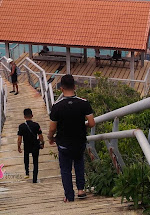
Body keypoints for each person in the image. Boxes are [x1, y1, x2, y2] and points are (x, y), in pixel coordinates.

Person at [48, 74, 95, 202]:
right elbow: (91, 123)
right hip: (79, 141)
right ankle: (81, 190)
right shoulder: (84, 103)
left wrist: (50, 137)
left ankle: (69, 196)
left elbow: (52, 128)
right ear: (74, 87)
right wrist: (82, 125)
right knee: (79, 165)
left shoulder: (56, 107)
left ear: (61, 88)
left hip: (63, 143)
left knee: (65, 169)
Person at [17, 108, 44, 183]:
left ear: (24, 117)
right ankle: (34, 179)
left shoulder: (21, 126)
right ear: (32, 115)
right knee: (35, 162)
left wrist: (18, 146)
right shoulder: (36, 125)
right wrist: (42, 143)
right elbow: (40, 136)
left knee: (26, 158)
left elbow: (19, 138)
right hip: (35, 145)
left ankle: (27, 172)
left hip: (26, 145)